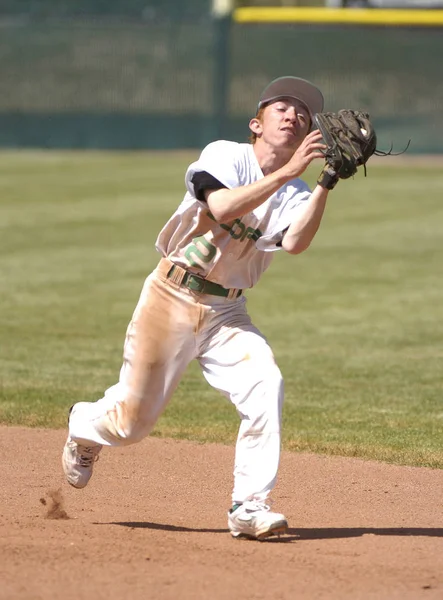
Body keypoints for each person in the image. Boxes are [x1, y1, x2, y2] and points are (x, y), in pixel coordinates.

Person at [62, 76, 339, 541]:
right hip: (170, 297)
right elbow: (225, 207)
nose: (295, 115)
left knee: (266, 382)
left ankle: (249, 507)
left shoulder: (294, 195)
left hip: (226, 313)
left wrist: (326, 183)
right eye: (283, 108)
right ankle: (84, 426)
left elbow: (294, 243)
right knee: (131, 425)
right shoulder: (224, 155)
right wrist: (289, 173)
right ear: (257, 122)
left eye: (304, 113)